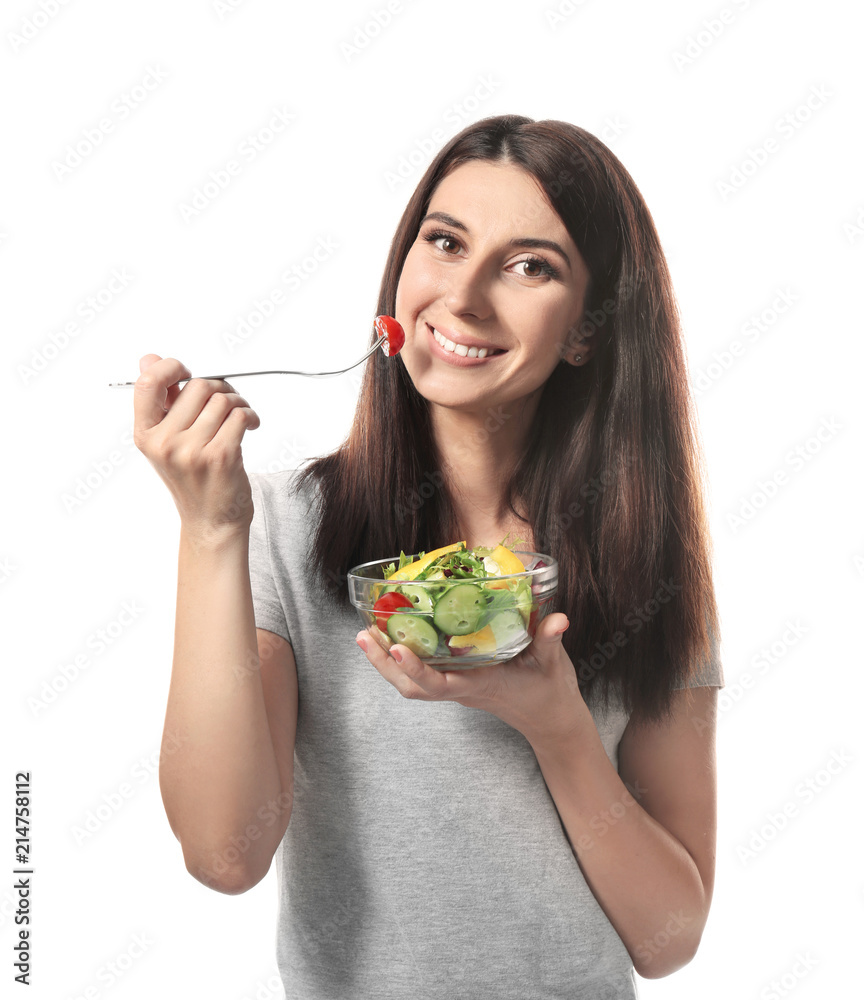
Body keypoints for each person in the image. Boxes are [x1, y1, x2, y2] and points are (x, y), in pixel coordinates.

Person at [132, 114, 723, 999]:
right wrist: (212, 532)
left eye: (531, 266)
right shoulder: (290, 528)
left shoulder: (645, 563)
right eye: (445, 242)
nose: (465, 297)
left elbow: (670, 938)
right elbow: (225, 854)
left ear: (587, 332)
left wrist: (557, 726)